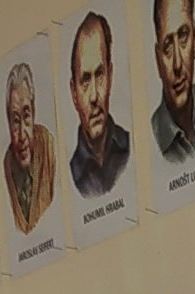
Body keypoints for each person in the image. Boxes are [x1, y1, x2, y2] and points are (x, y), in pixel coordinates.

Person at [69, 10, 133, 197]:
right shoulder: (71, 175)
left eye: (99, 75)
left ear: (110, 76)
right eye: (85, 80)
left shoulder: (131, 147)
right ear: (74, 93)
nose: (94, 96)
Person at [152, 0, 195, 164]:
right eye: (168, 46)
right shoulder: (153, 138)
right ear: (158, 61)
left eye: (183, 36)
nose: (178, 64)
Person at [3, 60, 57, 234]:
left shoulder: (49, 146)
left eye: (26, 116)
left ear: (34, 112)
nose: (21, 135)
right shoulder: (7, 165)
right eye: (15, 121)